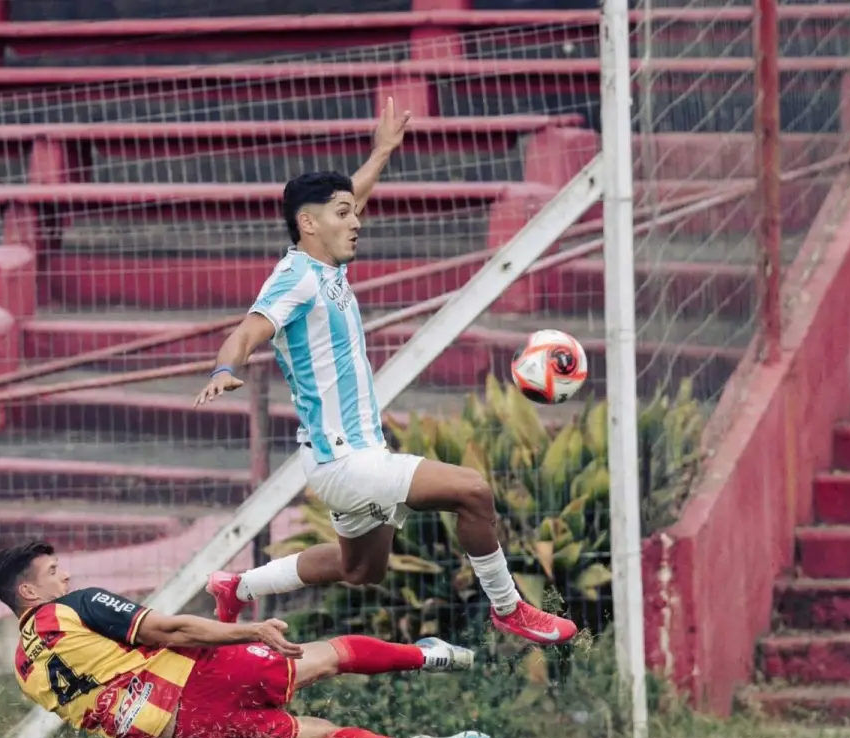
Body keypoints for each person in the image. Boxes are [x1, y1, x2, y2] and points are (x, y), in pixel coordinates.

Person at [192, 98, 578, 646]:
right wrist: (225, 368)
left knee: (360, 570)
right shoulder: (295, 278)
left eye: (355, 211)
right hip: (344, 458)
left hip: (345, 455)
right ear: (309, 223)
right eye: (344, 214)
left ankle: (237, 585)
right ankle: (509, 607)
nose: (358, 221)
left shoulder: (322, 258)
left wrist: (383, 151)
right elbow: (249, 330)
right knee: (471, 491)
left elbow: (357, 193)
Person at [0, 539, 494, 738]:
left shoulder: (22, 670)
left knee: (320, 736)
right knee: (330, 656)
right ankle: (431, 656)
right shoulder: (75, 606)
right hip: (200, 678)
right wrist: (248, 632)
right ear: (29, 593)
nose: (68, 575)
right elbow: (168, 631)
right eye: (55, 573)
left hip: (186, 735)